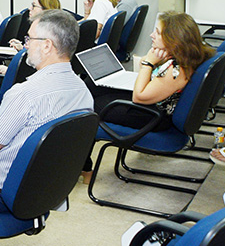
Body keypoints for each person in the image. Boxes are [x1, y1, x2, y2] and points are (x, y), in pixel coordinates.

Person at [0, 9, 93, 212]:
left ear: (47, 45)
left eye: (30, 39)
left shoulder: (25, 93)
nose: (25, 45)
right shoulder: (83, 92)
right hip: (39, 187)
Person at [83, 12, 214, 175]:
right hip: (153, 107)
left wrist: (148, 63)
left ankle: (84, 168)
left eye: (158, 33)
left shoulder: (176, 70)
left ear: (174, 39)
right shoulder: (184, 58)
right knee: (91, 86)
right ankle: (83, 165)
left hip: (153, 116)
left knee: (87, 106)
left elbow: (139, 96)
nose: (152, 35)